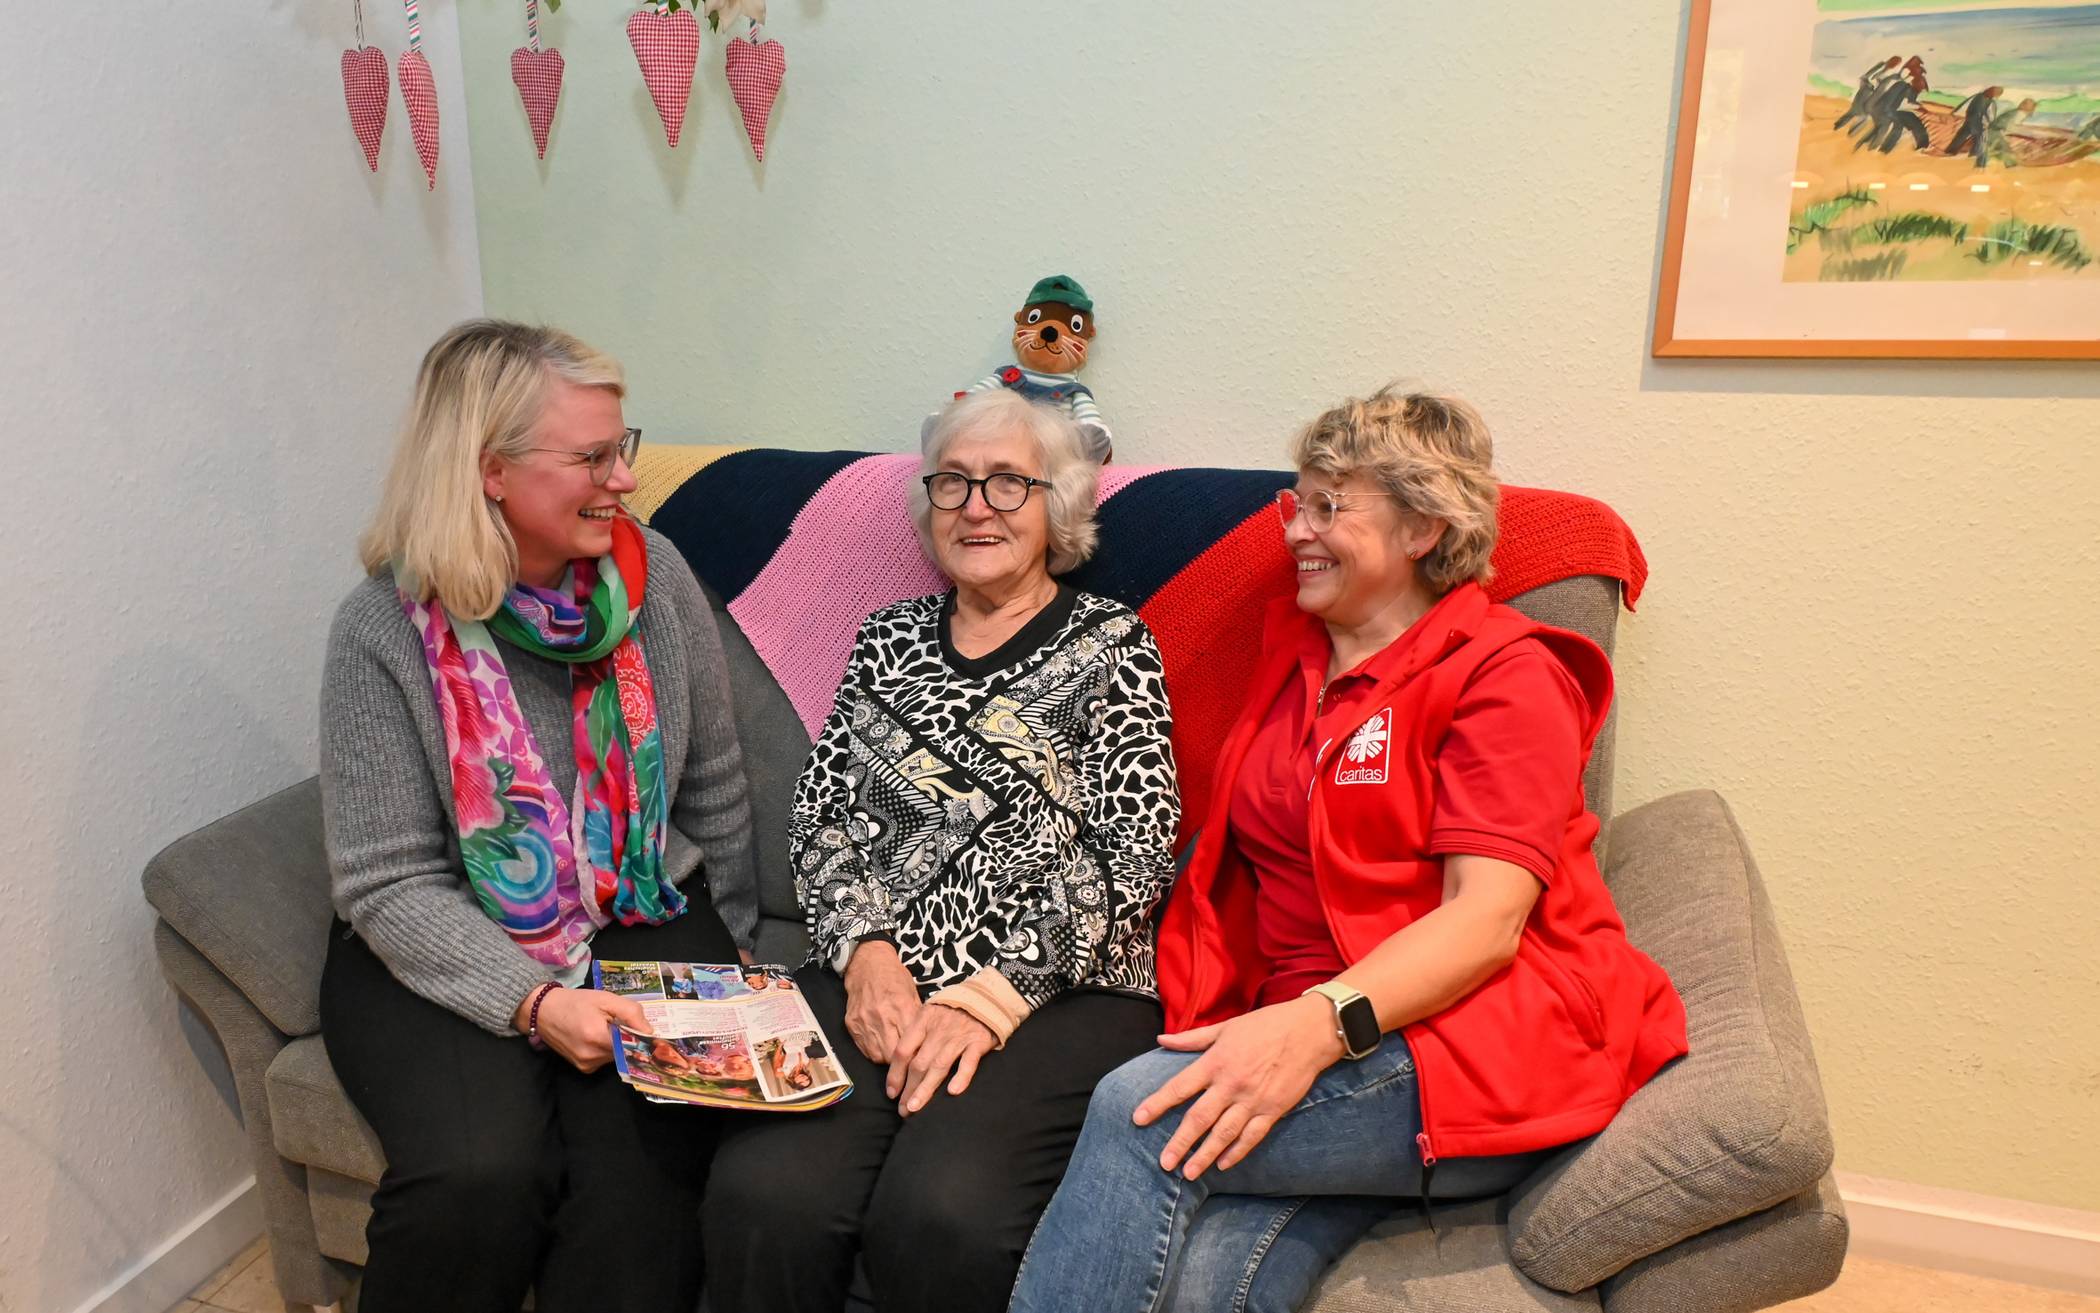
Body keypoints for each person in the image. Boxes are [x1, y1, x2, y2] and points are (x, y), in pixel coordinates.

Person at [1010, 388, 1688, 1313]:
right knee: (1211, 1285)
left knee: (1140, 1113)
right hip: (1321, 1025)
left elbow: (1487, 921)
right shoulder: (1295, 655)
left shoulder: (1507, 674)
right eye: (1297, 503)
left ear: (1423, 526)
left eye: (1330, 506)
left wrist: (1310, 1028)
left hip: (1471, 1035)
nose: (1297, 531)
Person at [703, 389, 1182, 1313]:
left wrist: (990, 998)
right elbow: (822, 817)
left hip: (1056, 993)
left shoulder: (1113, 644)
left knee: (942, 1211)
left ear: (1056, 503)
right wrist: (867, 955)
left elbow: (1133, 846)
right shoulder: (886, 639)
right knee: (763, 1195)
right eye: (953, 482)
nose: (975, 505)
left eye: (1008, 482)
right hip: (872, 975)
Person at [318, 319, 759, 1313]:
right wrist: (535, 1000)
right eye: (592, 457)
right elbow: (386, 880)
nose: (624, 479)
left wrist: (731, 960)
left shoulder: (655, 578)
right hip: (441, 928)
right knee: (479, 1173)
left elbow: (716, 785)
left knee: (641, 1174)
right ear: (490, 470)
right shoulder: (381, 628)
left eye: (621, 447)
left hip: (639, 904)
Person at [1835, 55, 1901, 133]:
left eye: (1896, 64)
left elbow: (1875, 81)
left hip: (1867, 95)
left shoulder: (1884, 70)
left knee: (1854, 113)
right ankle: (1839, 127)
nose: (1894, 65)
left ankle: (1839, 126)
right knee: (1856, 113)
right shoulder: (1881, 67)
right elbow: (1868, 77)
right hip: (1866, 94)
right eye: (1895, 63)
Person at [1947, 85, 2005, 166]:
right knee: (1972, 139)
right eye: (1995, 94)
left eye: (1996, 95)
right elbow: (1975, 111)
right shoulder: (1980, 98)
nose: (1995, 96)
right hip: (1974, 123)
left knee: (1966, 138)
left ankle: (1957, 152)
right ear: (1990, 91)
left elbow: (1988, 115)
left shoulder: (1988, 100)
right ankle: (1968, 156)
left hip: (1975, 123)